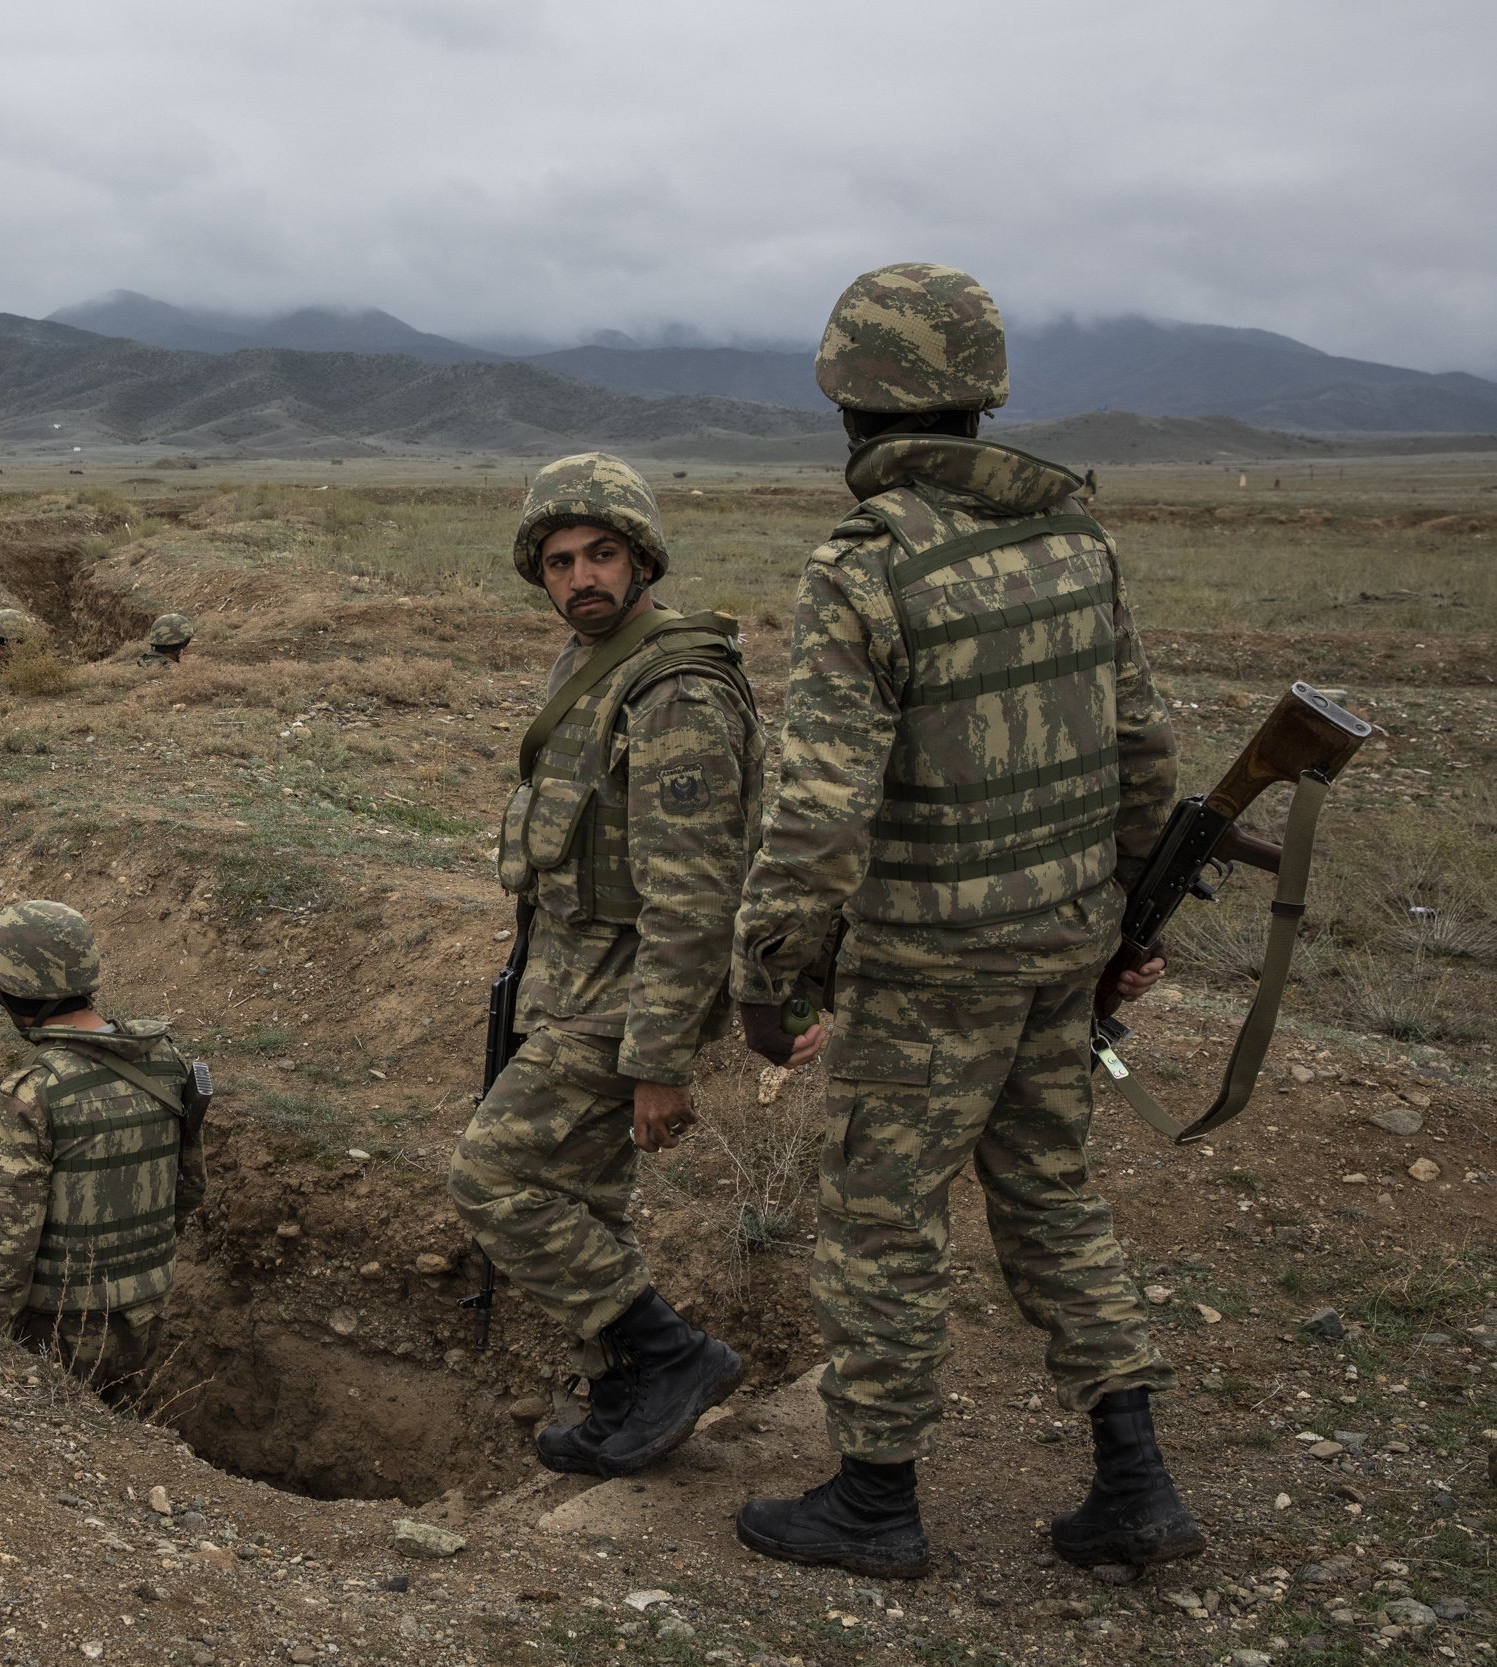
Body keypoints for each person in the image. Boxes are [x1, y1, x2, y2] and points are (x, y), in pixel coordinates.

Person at [728, 263, 1198, 1581]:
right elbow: (1143, 754)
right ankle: (1136, 1478)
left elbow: (819, 814)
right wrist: (1127, 911)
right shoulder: (1076, 543)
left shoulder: (867, 570)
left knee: (885, 1212)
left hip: (930, 969)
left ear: (850, 402)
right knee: (1049, 1196)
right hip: (1060, 949)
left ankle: (875, 1497)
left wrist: (773, 977)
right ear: (980, 393)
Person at [447, 452, 764, 1480]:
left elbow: (693, 895)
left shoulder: (672, 688)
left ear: (642, 558)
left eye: (602, 554)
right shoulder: (590, 663)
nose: (580, 577)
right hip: (571, 978)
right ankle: (630, 1391)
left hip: (631, 994)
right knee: (579, 1195)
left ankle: (669, 1357)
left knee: (493, 1174)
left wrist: (660, 1057)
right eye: (558, 561)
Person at [0, 901, 207, 1402]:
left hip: (63, 1321)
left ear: (9, 993)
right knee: (119, 1435)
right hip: (148, 1304)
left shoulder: (33, 1090)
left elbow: (11, 1242)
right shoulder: (167, 1061)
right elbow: (191, 1186)